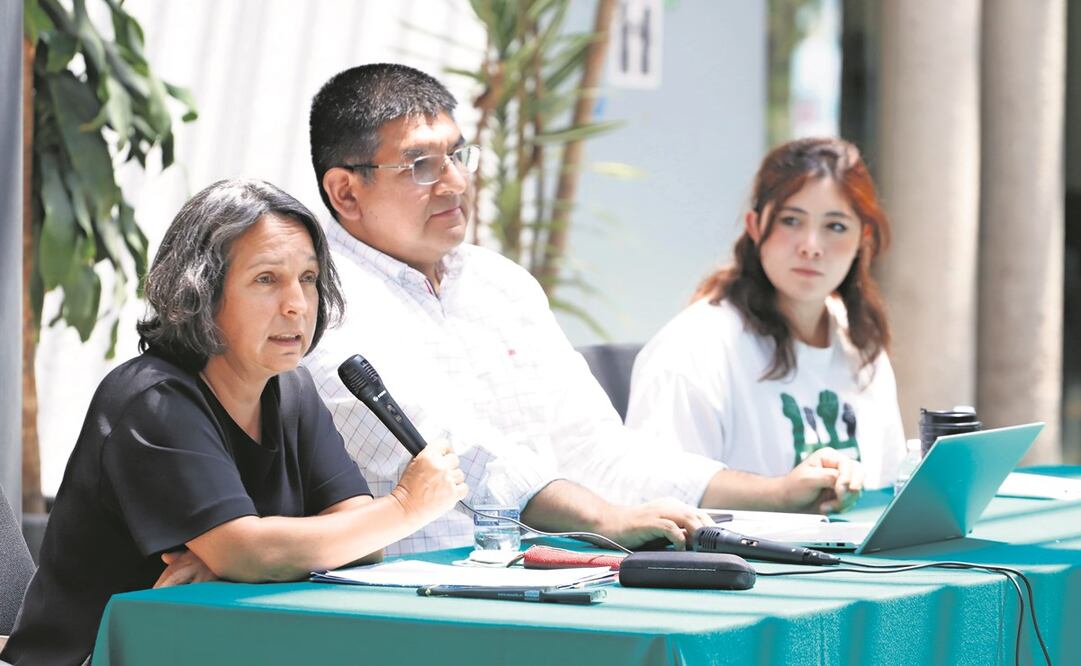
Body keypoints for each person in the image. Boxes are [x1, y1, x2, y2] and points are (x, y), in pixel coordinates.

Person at [303, 63, 859, 556]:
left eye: (458, 155)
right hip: (420, 600)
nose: (455, 181)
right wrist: (603, 519)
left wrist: (777, 493)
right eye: (422, 165)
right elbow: (457, 454)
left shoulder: (500, 283)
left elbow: (594, 446)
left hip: (559, 577)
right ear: (346, 192)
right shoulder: (320, 298)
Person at [1, 179, 466, 665]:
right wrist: (407, 506)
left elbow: (360, 542)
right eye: (267, 279)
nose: (298, 304)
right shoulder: (153, 399)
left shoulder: (291, 390)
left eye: (307, 278)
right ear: (201, 291)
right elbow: (263, 550)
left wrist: (239, 558)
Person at [626, 138, 903, 490]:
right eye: (791, 220)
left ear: (863, 238)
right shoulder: (693, 350)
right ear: (755, 226)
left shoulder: (860, 340)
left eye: (835, 226)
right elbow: (655, 492)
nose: (811, 246)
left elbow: (888, 485)